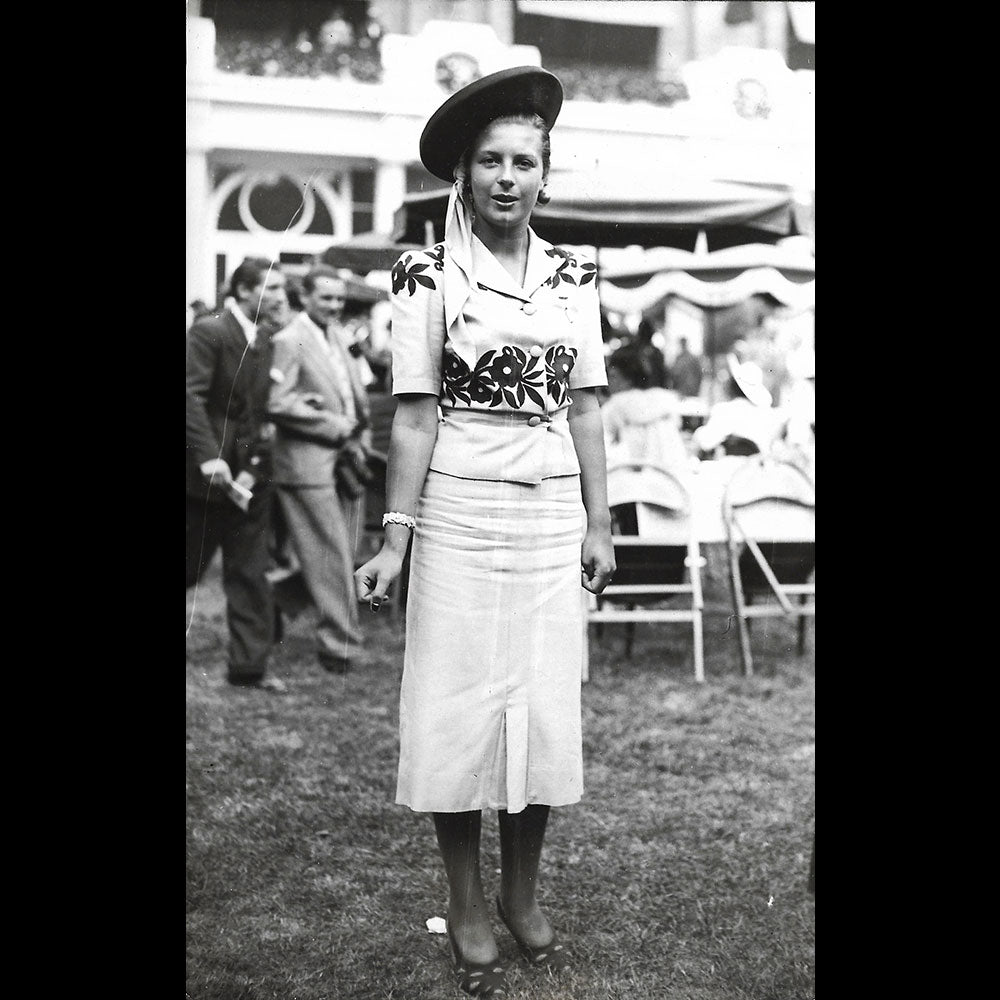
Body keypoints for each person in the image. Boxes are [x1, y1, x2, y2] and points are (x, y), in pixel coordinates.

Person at [353, 66, 615, 998]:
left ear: (546, 174)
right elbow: (413, 416)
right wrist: (396, 538)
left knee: (543, 705)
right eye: (490, 162)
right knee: (457, 706)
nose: (508, 177)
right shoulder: (426, 272)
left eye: (525, 162)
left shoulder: (575, 272)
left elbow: (586, 403)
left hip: (548, 514)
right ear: (462, 176)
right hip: (461, 511)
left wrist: (600, 521)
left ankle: (520, 892)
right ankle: (465, 900)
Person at [186, 257, 290, 693]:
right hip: (202, 479)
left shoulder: (264, 340)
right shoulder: (209, 331)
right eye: (275, 287)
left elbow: (254, 415)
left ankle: (248, 669)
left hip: (247, 481)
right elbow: (189, 396)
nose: (283, 296)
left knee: (249, 572)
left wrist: (249, 469)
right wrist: (210, 458)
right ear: (246, 289)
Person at [267, 265, 373, 675]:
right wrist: (331, 424)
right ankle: (339, 646)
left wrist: (356, 433)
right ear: (305, 297)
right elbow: (277, 401)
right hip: (305, 463)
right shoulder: (289, 340)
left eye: (339, 299)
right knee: (330, 552)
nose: (334, 305)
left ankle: (271, 598)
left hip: (346, 457)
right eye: (325, 298)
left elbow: (351, 393)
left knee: (340, 551)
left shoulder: (337, 337)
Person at [603, 342, 689, 473]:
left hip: (634, 481)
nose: (609, 382)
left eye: (613, 376)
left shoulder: (615, 405)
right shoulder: (663, 400)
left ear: (628, 379)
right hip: (672, 480)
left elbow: (603, 445)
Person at [691, 352, 783, 458]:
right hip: (758, 470)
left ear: (734, 385)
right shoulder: (767, 414)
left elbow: (706, 442)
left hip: (731, 469)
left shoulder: (727, 410)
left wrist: (698, 434)